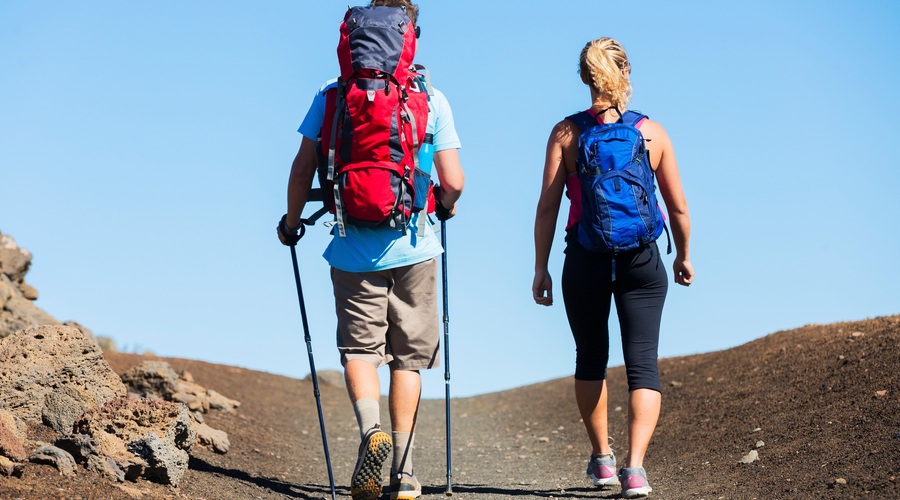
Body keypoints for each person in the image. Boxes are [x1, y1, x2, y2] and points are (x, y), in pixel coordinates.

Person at [277, 2, 464, 499]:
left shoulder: (332, 96)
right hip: (416, 245)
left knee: (360, 351)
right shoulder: (431, 99)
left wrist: (292, 222)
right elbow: (454, 182)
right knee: (409, 360)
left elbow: (300, 168)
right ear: (410, 37)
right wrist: (444, 206)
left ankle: (369, 433)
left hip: (350, 246)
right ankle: (402, 472)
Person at [532, 37, 693, 499]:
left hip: (585, 258)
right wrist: (682, 255)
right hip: (642, 260)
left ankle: (602, 460)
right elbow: (677, 208)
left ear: (585, 78)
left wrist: (540, 267)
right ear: (626, 74)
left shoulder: (566, 133)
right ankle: (635, 469)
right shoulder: (652, 133)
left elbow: (546, 209)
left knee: (590, 358)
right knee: (643, 364)